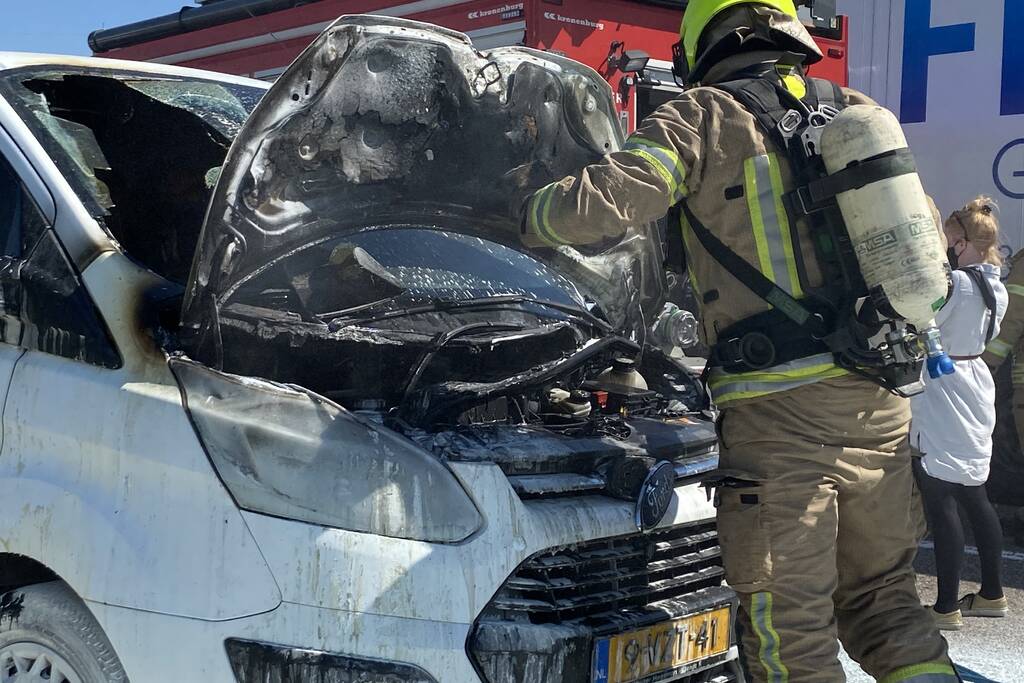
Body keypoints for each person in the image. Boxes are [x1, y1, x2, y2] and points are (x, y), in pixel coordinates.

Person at [512, 1, 956, 680]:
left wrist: (520, 214)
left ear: (702, 44)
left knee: (791, 641)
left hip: (782, 421)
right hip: (883, 405)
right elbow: (921, 245)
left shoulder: (703, 115)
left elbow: (613, 199)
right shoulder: (854, 111)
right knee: (886, 608)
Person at [913, 198, 1010, 630]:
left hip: (943, 384)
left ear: (961, 242)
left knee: (942, 496)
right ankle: (992, 594)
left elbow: (919, 319)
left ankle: (946, 606)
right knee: (975, 491)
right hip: (975, 381)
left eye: (949, 239)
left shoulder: (953, 284)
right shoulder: (998, 286)